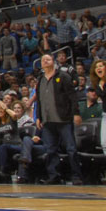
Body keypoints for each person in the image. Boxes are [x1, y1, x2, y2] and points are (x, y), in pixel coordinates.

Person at [34, 53, 83, 185]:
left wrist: (76, 113)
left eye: (48, 59)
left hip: (63, 119)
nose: (45, 61)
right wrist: (38, 116)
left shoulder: (63, 76)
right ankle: (54, 175)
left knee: (71, 148)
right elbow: (39, 100)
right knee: (50, 149)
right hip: (47, 120)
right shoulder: (40, 80)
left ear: (53, 62)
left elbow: (72, 97)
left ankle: (76, 175)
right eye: (43, 60)